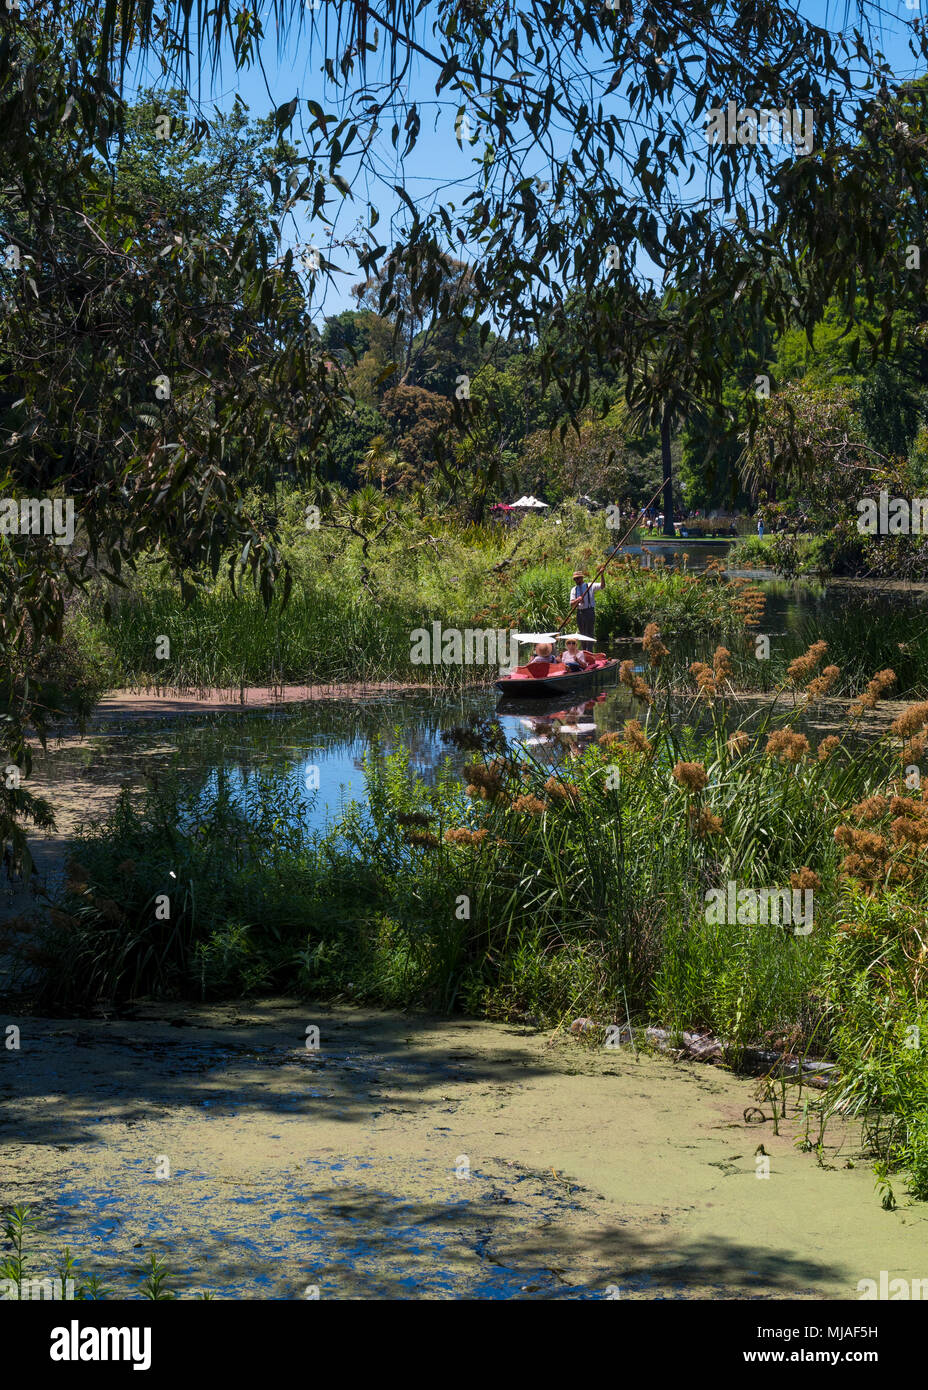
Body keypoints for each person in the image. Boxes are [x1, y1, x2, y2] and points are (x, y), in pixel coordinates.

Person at [569, 569, 604, 640]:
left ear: (582, 578)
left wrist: (602, 575)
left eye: (577, 578)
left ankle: (589, 650)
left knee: (589, 634)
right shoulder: (574, 589)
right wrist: (577, 600)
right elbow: (571, 604)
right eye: (575, 579)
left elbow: (602, 586)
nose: (576, 580)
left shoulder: (590, 585)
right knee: (582, 634)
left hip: (589, 612)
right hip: (580, 613)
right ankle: (583, 650)